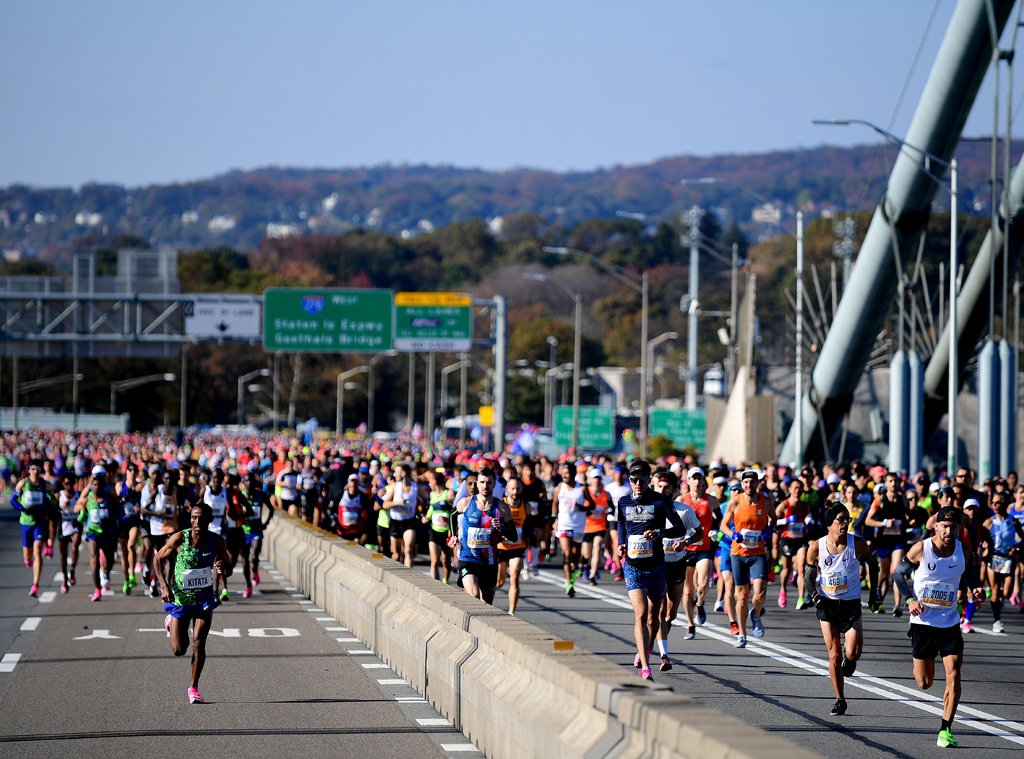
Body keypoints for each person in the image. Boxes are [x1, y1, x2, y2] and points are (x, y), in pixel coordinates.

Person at [893, 506, 985, 749]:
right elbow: (899, 574)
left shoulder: (963, 551)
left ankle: (945, 730)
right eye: (945, 526)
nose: (949, 530)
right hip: (923, 622)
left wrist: (976, 587)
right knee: (925, 683)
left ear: (959, 529)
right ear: (936, 526)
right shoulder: (921, 549)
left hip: (949, 622)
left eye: (954, 527)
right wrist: (910, 599)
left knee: (954, 674)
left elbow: (971, 574)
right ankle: (922, 668)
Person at [616, 459, 688, 681]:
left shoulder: (660, 501)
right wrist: (620, 544)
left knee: (654, 617)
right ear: (630, 480)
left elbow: (679, 527)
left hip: (656, 565)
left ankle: (646, 650)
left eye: (642, 480)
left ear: (649, 480)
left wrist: (659, 532)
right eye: (634, 480)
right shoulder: (623, 502)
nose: (638, 483)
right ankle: (646, 668)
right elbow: (620, 524)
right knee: (640, 614)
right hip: (633, 565)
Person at [805, 501, 878, 717]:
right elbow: (809, 577)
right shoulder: (816, 548)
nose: (845, 523)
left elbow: (872, 565)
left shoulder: (858, 544)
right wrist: (815, 595)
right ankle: (840, 699)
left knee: (853, 653)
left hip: (851, 604)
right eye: (841, 520)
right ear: (830, 524)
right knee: (834, 655)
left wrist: (874, 593)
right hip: (827, 604)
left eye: (848, 520)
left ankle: (850, 660)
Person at [155, 502, 232, 705]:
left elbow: (229, 568)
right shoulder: (180, 538)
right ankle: (171, 620)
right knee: (179, 650)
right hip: (181, 600)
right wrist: (164, 586)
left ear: (210, 520)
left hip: (204, 600)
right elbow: (157, 559)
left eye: (201, 518)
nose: (197, 522)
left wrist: (222, 567)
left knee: (199, 644)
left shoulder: (217, 541)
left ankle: (194, 688)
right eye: (194, 517)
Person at [651, 469, 702, 671]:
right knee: (660, 610)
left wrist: (685, 542)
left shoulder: (684, 510)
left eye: (667, 488)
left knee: (671, 613)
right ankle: (664, 655)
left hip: (678, 563)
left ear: (673, 490)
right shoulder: (649, 510)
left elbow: (699, 534)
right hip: (657, 563)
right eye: (660, 487)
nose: (663, 490)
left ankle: (660, 634)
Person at [719, 469, 774, 648]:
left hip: (757, 553)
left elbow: (773, 519)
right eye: (746, 483)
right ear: (742, 485)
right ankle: (742, 634)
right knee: (741, 597)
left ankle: (756, 614)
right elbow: (723, 526)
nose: (749, 485)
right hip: (738, 553)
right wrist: (733, 535)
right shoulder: (735, 501)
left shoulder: (766, 502)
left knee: (760, 592)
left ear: (758, 483)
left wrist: (767, 532)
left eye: (752, 482)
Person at [449, 467, 514, 604]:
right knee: (473, 594)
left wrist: (501, 527)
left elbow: (514, 536)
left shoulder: (502, 507)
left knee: (487, 603)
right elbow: (452, 516)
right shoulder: (466, 503)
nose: (485, 486)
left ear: (494, 484)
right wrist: (453, 535)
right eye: (482, 482)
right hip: (468, 558)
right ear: (477, 484)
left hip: (489, 562)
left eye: (489, 482)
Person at [865, 471, 909, 616]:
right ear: (886, 483)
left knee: (897, 572)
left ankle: (897, 606)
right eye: (890, 481)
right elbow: (868, 521)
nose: (894, 484)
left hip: (898, 540)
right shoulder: (880, 500)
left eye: (896, 481)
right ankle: (879, 600)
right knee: (883, 576)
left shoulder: (903, 500)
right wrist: (884, 523)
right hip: (884, 541)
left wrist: (910, 521)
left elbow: (908, 515)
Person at [74, 464, 119, 602]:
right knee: (93, 557)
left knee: (110, 559)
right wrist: (82, 510)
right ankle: (97, 587)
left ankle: (105, 572)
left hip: (108, 531)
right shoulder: (89, 490)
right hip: (93, 531)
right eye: (95, 477)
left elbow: (118, 507)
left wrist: (112, 517)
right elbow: (78, 505)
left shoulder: (110, 490)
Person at [13, 459, 55, 597]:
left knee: (37, 550)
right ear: (28, 470)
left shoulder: (46, 485)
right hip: (26, 522)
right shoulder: (23, 483)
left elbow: (53, 500)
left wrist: (47, 507)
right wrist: (23, 509)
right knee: (28, 554)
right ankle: (28, 559)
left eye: (38, 469)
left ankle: (35, 584)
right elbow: (13, 500)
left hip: (40, 522)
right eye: (33, 469)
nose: (35, 472)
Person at [983, 492, 1022, 633]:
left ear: (1005, 504)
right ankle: (997, 621)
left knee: (1006, 592)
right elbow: (980, 538)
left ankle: (1000, 598)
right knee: (994, 591)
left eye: (997, 502)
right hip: (994, 558)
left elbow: (1022, 538)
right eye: (992, 502)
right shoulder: (989, 522)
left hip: (1008, 559)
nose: (994, 505)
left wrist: (1016, 547)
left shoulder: (1013, 521)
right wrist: (985, 546)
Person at [776, 477, 812, 610]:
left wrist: (808, 521)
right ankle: (783, 590)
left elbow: (809, 518)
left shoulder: (805, 506)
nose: (797, 490)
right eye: (795, 488)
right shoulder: (785, 504)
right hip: (787, 539)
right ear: (790, 489)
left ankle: (800, 598)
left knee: (802, 567)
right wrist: (786, 520)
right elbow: (773, 520)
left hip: (800, 539)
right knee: (787, 569)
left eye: (799, 488)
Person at [496, 475, 528, 615]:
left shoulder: (526, 506)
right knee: (499, 582)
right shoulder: (500, 504)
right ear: (507, 489)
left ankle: (511, 612)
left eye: (518, 488)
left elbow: (528, 527)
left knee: (514, 577)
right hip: (501, 548)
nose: (515, 491)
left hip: (517, 547)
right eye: (513, 488)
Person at [423, 471, 455, 583]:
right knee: (435, 561)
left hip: (447, 532)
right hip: (434, 531)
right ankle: (435, 585)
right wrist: (426, 517)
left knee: (446, 561)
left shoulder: (449, 494)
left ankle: (445, 580)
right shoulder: (432, 495)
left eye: (430, 480)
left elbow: (455, 512)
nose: (428, 483)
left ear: (435, 481)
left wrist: (447, 519)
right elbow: (431, 510)